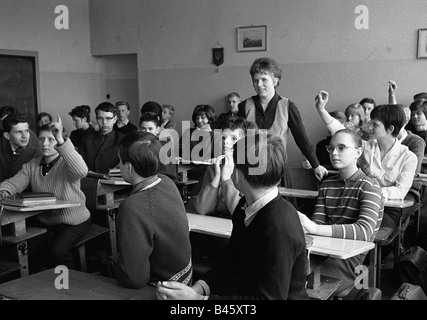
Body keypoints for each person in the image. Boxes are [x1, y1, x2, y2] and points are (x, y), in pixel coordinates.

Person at [156, 133, 309, 300]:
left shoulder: (279, 225)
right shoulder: (245, 207)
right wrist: (197, 290)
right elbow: (231, 264)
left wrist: (198, 300)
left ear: (236, 173)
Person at [315, 91, 418, 234]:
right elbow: (341, 132)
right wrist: (321, 110)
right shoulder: (367, 147)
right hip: (361, 203)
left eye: (375, 124)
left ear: (390, 129)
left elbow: (400, 191)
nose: (369, 127)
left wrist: (371, 192)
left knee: (377, 232)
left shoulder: (408, 157)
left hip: (389, 209)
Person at [299, 128, 384, 297]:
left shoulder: (369, 186)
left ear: (358, 152)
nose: (334, 153)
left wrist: (314, 228)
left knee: (299, 285)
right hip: (320, 252)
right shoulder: (327, 185)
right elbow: (318, 225)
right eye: (331, 148)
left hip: (350, 263)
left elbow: (364, 231)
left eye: (342, 148)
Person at [0, 116, 91, 269]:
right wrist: (4, 189)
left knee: (57, 251)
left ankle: (68, 286)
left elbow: (82, 171)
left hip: (74, 221)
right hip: (47, 221)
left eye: (51, 139)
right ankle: (40, 287)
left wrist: (61, 141)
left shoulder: (66, 163)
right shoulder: (33, 164)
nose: (45, 144)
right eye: (42, 139)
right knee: (29, 249)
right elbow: (14, 182)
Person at [114, 131, 192, 289]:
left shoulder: (132, 206)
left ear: (129, 167)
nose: (118, 165)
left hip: (163, 290)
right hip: (185, 279)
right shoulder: (166, 182)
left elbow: (133, 278)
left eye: (120, 162)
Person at [236, 57, 328, 183]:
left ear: (275, 81)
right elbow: (239, 140)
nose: (259, 85)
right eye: (255, 81)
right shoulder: (244, 106)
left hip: (277, 170)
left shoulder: (288, 107)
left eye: (264, 80)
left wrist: (316, 165)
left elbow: (302, 139)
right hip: (250, 171)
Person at [186, 116, 256, 218]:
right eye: (223, 137)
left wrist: (226, 179)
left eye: (233, 138)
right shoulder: (215, 167)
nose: (226, 141)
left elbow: (238, 213)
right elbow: (202, 209)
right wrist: (217, 177)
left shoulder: (250, 171)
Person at [78, 102, 125, 174]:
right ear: (96, 119)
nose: (104, 122)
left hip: (113, 181)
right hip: (89, 180)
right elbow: (80, 165)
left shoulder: (123, 140)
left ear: (115, 119)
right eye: (100, 118)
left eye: (108, 118)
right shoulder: (86, 139)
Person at [0, 113, 41, 183]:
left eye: (26, 131)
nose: (25, 136)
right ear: (7, 135)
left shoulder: (36, 154)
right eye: (19, 132)